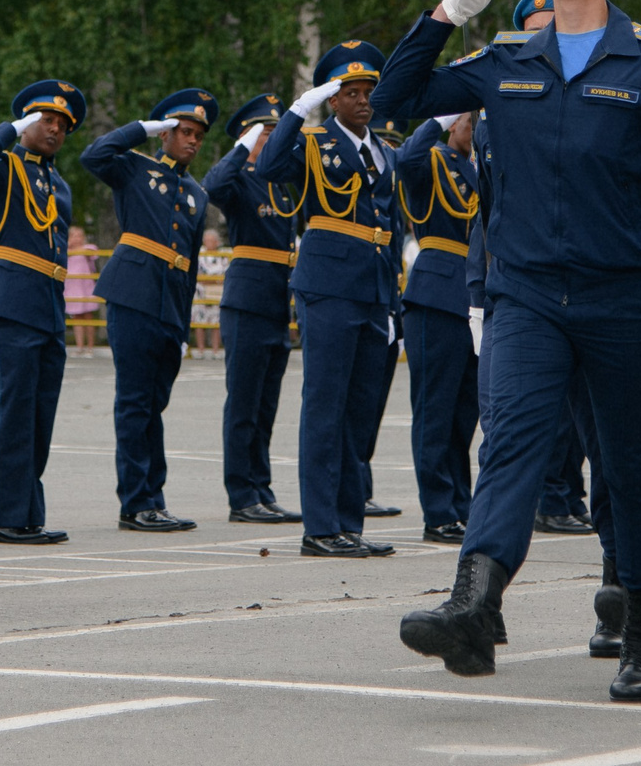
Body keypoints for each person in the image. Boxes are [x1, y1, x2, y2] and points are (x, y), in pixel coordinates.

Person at [382, 0, 641, 701]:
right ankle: (473, 601)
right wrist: (446, 12)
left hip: (626, 297)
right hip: (527, 293)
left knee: (631, 470)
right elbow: (401, 98)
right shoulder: (506, 61)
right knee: (509, 447)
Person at [258, 44, 406, 560]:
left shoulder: (384, 151)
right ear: (333, 99)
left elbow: (391, 226)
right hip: (327, 286)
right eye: (351, 93)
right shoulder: (315, 142)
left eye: (368, 92)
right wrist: (301, 109)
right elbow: (269, 168)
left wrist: (393, 304)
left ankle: (349, 522)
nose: (363, 101)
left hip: (374, 290)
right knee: (325, 407)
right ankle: (320, 527)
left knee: (360, 412)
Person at [86, 90, 218, 533]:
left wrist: (182, 327)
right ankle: (136, 502)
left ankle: (153, 498)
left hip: (170, 305)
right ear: (165, 133)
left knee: (153, 405)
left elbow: (192, 263)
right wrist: (143, 129)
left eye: (198, 134)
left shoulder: (197, 194)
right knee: (135, 403)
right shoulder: (134, 167)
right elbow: (95, 154)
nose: (193, 140)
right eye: (184, 131)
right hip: (135, 296)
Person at [0, 80, 84, 544]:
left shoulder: (57, 182)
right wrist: (9, 129)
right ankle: (4, 515)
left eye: (62, 124)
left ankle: (27, 513)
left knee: (40, 415)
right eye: (46, 120)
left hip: (47, 306)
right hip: (11, 302)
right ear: (26, 122)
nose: (54, 129)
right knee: (14, 409)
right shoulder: (3, 166)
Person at [204, 93, 303, 525]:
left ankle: (262, 488)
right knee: (243, 404)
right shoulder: (240, 177)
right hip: (246, 300)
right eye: (266, 132)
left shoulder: (280, 181)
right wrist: (242, 146)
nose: (273, 139)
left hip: (277, 301)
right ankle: (241, 495)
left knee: (266, 407)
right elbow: (213, 186)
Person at [394, 110, 482, 544]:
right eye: (470, 118)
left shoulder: (478, 166)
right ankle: (438, 512)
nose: (476, 125)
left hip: (474, 299)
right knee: (435, 412)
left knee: (465, 415)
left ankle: (460, 505)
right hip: (435, 294)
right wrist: (437, 115)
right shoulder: (432, 160)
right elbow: (405, 160)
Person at [194, 228, 227, 350]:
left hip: (217, 291)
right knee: (199, 321)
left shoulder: (223, 255)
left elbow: (225, 273)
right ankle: (200, 349)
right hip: (201, 291)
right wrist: (210, 280)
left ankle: (215, 350)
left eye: (212, 241)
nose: (209, 243)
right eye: (207, 240)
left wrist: (214, 280)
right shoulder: (200, 253)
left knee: (216, 322)